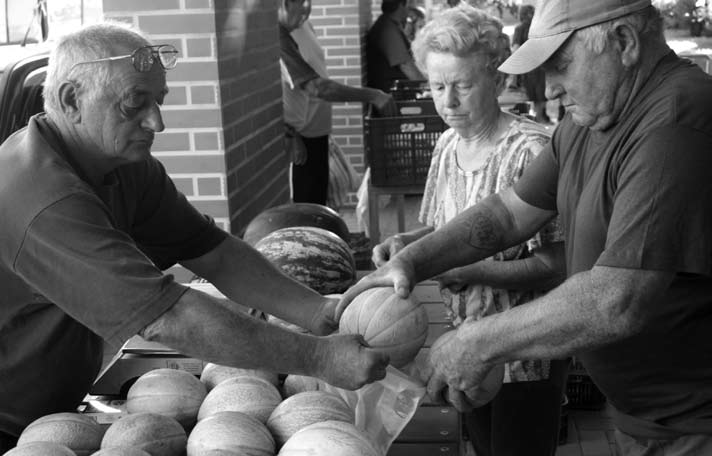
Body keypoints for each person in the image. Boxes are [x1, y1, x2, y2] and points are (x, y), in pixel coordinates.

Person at [342, 0, 712, 454]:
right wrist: (412, 260)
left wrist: (479, 341)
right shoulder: (588, 121)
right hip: (646, 414)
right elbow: (507, 213)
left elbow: (618, 300)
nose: (549, 88)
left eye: (560, 65)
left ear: (624, 42)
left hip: (693, 422)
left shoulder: (676, 119)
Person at [0, 21, 390, 452]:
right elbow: (168, 317)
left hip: (50, 417)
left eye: (158, 101)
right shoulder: (40, 196)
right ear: (72, 100)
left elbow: (213, 252)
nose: (158, 123)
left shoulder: (123, 165)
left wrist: (321, 313)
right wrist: (320, 357)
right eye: (135, 104)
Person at [371, 5, 567, 455]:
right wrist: (406, 246)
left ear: (498, 80)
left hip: (526, 354)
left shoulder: (531, 151)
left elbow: (558, 266)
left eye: (461, 85)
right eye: (437, 87)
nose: (448, 102)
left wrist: (474, 271)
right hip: (462, 348)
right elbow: (441, 229)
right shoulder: (446, 145)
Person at [279, 0, 396, 206]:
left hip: (318, 132)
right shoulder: (278, 38)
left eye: (309, 2)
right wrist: (373, 95)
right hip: (300, 140)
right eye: (301, 3)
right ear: (282, 4)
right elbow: (318, 88)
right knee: (307, 210)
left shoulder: (301, 24)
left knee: (320, 202)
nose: (307, 9)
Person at [366, 0, 424, 92]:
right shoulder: (387, 29)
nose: (409, 10)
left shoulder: (389, 24)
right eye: (408, 6)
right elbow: (406, 65)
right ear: (401, 5)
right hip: (391, 93)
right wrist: (426, 87)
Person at [512, 4, 550, 124]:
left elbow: (516, 48)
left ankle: (532, 121)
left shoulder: (519, 28)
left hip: (527, 66)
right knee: (540, 95)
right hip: (540, 66)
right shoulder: (540, 27)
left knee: (528, 95)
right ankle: (539, 118)